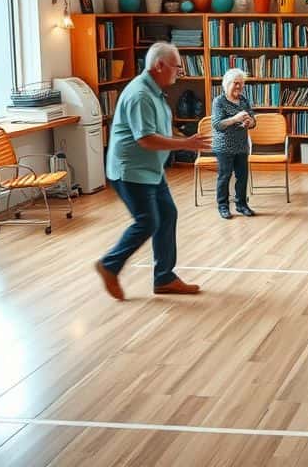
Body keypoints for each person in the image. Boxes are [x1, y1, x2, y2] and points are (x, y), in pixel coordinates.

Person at [95, 42, 210, 300]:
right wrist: (185, 144)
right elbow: (145, 139)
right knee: (148, 221)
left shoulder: (155, 91)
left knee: (167, 214)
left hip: (150, 169)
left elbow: (158, 130)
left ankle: (164, 278)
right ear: (159, 65)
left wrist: (183, 138)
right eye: (177, 66)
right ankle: (109, 265)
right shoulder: (141, 95)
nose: (179, 72)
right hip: (131, 171)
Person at [211, 68, 256, 220]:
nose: (239, 87)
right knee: (225, 176)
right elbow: (217, 124)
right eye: (236, 83)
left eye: (241, 84)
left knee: (242, 176)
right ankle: (223, 206)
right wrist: (235, 119)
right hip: (224, 146)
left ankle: (241, 204)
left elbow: (253, 120)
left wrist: (250, 122)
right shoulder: (219, 101)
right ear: (227, 84)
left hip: (242, 145)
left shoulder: (244, 100)